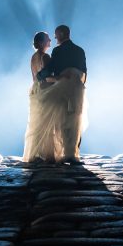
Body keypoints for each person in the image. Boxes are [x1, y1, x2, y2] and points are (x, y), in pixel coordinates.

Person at [36, 25, 87, 164]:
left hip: (62, 90)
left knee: (63, 120)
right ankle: (73, 153)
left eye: (56, 34)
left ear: (63, 34)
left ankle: (65, 152)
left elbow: (51, 68)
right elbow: (85, 72)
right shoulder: (80, 50)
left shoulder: (58, 51)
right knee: (75, 119)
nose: (54, 38)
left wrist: (40, 76)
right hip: (77, 90)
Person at [22, 31, 64, 163]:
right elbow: (46, 78)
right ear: (41, 42)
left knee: (38, 122)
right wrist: (61, 79)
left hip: (35, 90)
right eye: (47, 39)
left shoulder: (33, 57)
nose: (50, 40)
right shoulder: (45, 57)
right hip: (45, 91)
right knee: (48, 123)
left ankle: (37, 153)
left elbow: (35, 77)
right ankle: (47, 154)